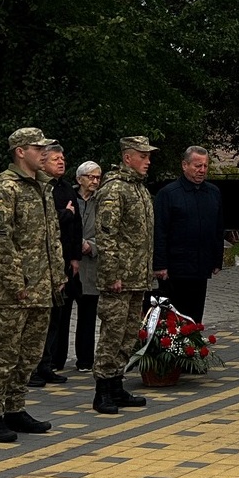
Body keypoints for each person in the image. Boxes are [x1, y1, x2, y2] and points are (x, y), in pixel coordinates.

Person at [0, 127, 67, 443]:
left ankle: (15, 408)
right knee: (5, 352)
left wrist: (56, 277)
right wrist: (17, 284)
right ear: (20, 151)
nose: (44, 152)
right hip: (12, 290)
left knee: (29, 354)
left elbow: (50, 239)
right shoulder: (4, 188)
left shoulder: (42, 186)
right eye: (37, 147)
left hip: (41, 287)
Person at [90, 138, 156, 414]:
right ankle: (102, 390)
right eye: (143, 156)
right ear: (128, 157)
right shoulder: (115, 189)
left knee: (129, 334)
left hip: (137, 277)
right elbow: (106, 236)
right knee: (112, 334)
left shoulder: (138, 189)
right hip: (119, 278)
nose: (148, 161)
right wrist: (112, 274)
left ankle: (116, 384)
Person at [154, 146, 222, 324]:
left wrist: (216, 259)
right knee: (174, 317)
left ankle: (193, 347)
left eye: (205, 166)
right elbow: (160, 231)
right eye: (197, 166)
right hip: (176, 268)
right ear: (185, 165)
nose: (202, 170)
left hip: (201, 266)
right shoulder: (168, 194)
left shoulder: (213, 193)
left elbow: (217, 227)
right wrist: (160, 264)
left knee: (195, 316)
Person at [33, 143, 80, 387]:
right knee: (40, 317)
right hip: (42, 263)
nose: (61, 162)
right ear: (43, 162)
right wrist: (65, 214)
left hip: (63, 261)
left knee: (56, 317)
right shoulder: (41, 189)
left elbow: (76, 226)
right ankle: (32, 367)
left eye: (63, 158)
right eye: (55, 159)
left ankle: (47, 364)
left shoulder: (66, 189)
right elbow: (44, 225)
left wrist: (74, 258)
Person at [69, 160, 104, 372]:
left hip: (90, 263)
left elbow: (109, 231)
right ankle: (54, 359)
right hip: (68, 262)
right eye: (90, 177)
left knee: (88, 314)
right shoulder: (68, 197)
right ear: (79, 179)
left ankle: (85, 360)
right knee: (61, 314)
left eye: (98, 177)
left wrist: (91, 245)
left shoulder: (102, 201)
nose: (94, 181)